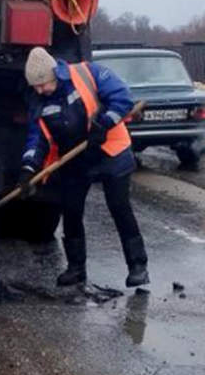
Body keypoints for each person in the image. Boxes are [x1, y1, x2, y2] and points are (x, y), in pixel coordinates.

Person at [19, 46, 149, 288]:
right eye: (35, 87)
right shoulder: (38, 101)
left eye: (43, 84)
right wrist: (28, 168)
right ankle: (76, 268)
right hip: (74, 158)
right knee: (71, 210)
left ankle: (138, 267)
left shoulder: (88, 73)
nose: (40, 90)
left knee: (119, 207)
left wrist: (104, 123)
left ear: (54, 75)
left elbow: (122, 97)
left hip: (110, 150)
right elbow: (37, 139)